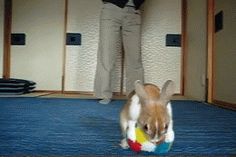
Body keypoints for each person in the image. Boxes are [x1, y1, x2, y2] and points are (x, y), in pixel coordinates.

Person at [94, 0, 145, 104]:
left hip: (134, 11)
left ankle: (136, 95)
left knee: (135, 58)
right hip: (111, 9)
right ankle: (104, 94)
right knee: (106, 55)